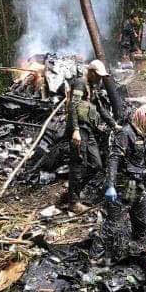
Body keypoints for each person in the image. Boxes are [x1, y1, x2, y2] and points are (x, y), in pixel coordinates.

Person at [103, 103, 146, 240]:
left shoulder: (142, 135)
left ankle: (138, 246)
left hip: (138, 186)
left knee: (140, 223)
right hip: (123, 186)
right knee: (113, 226)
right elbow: (114, 159)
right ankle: (101, 252)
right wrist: (110, 185)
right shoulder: (125, 133)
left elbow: (142, 160)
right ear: (143, 117)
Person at [64, 77, 108, 212]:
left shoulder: (92, 88)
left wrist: (114, 125)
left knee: (97, 165)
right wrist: (75, 130)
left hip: (89, 131)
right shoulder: (80, 82)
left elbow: (100, 109)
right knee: (78, 165)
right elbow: (73, 105)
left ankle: (74, 192)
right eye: (97, 74)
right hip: (80, 129)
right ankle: (73, 202)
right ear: (92, 72)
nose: (99, 77)